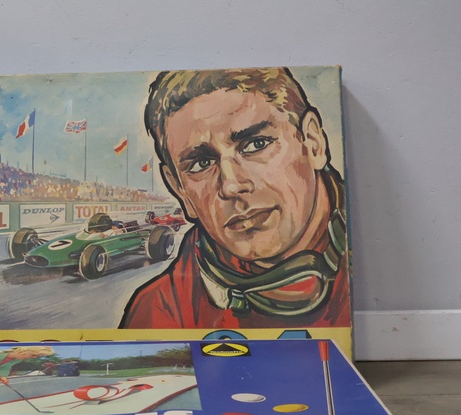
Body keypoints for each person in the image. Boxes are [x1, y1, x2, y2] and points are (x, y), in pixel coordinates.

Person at [121, 68, 349, 329]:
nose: (231, 185)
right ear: (180, 190)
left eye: (256, 144)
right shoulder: (158, 314)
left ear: (313, 143)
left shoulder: (373, 261)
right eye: (201, 164)